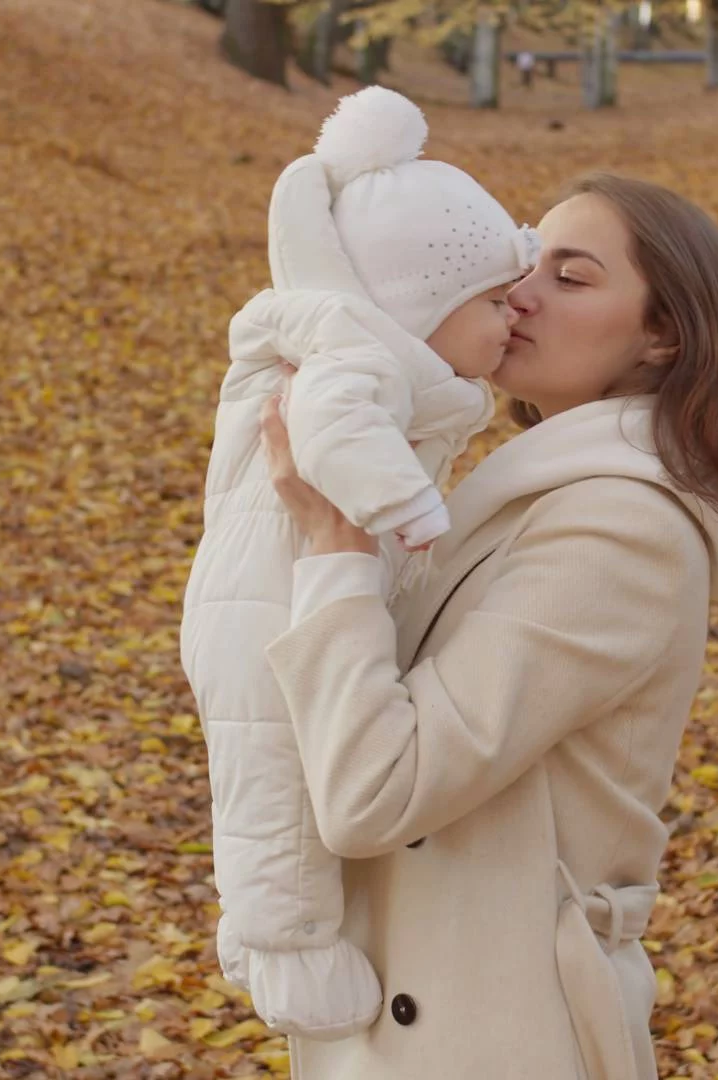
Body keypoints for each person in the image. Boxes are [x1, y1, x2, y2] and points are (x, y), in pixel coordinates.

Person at [256, 172, 718, 1078]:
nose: (520, 291)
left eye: (571, 276)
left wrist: (338, 544)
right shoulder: (543, 491)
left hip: (495, 1029)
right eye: (527, 258)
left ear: (664, 335)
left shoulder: (622, 532)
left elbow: (377, 789)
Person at [180, 86, 538, 1042]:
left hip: (286, 584)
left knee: (281, 776)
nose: (515, 319)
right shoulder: (353, 345)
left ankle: (264, 931)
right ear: (423, 305)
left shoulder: (382, 352)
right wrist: (412, 509)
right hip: (267, 597)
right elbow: (328, 427)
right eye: (496, 302)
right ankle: (284, 946)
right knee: (274, 777)